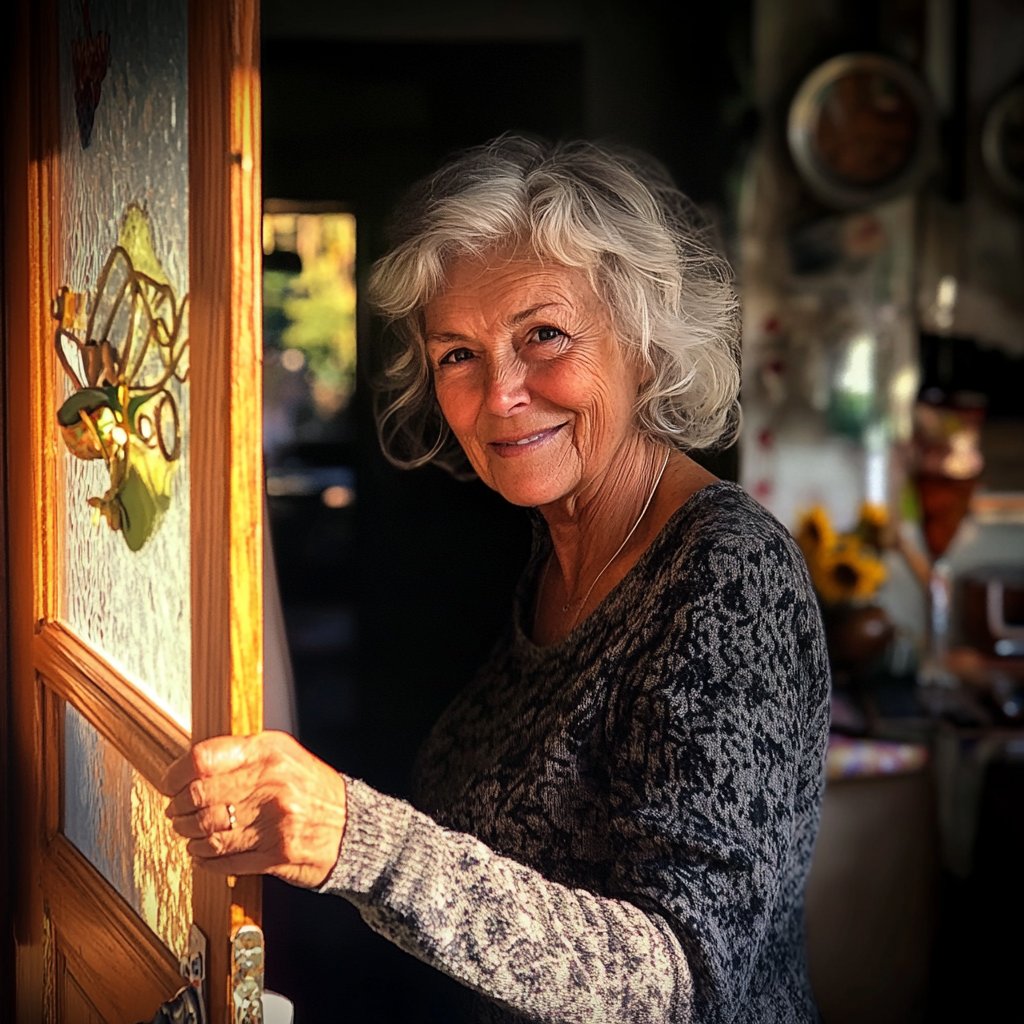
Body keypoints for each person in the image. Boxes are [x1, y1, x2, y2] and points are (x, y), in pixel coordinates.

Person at [161, 133, 831, 1023]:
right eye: (458, 355)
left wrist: (353, 837)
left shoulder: (728, 578)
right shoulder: (556, 558)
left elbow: (678, 981)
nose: (502, 393)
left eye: (544, 335)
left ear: (643, 340)